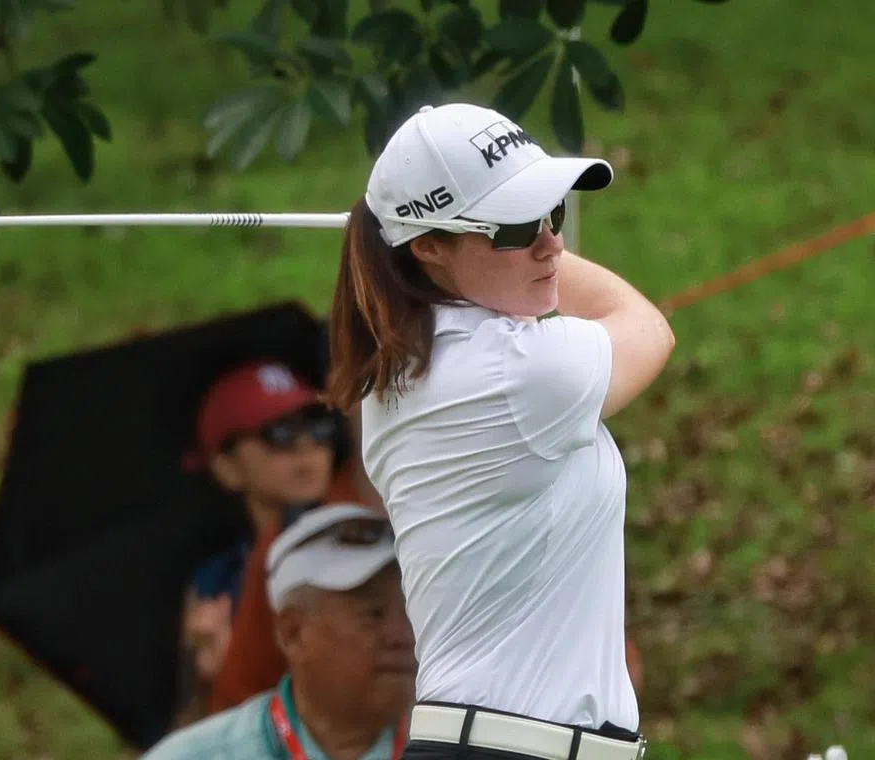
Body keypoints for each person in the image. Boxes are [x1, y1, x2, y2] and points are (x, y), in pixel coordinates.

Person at [324, 102, 676, 760]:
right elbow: (646, 326)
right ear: (428, 245)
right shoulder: (516, 374)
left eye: (555, 213)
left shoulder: (413, 365)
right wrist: (391, 239)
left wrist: (412, 240)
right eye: (516, 224)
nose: (553, 242)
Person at [144, 504, 417, 760]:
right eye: (373, 613)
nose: (404, 636)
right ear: (293, 632)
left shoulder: (449, 749)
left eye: (412, 612)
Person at [178, 361, 341, 714]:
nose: (305, 447)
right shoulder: (214, 583)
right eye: (280, 433)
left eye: (318, 425)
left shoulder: (370, 536)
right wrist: (211, 677)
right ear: (227, 468)